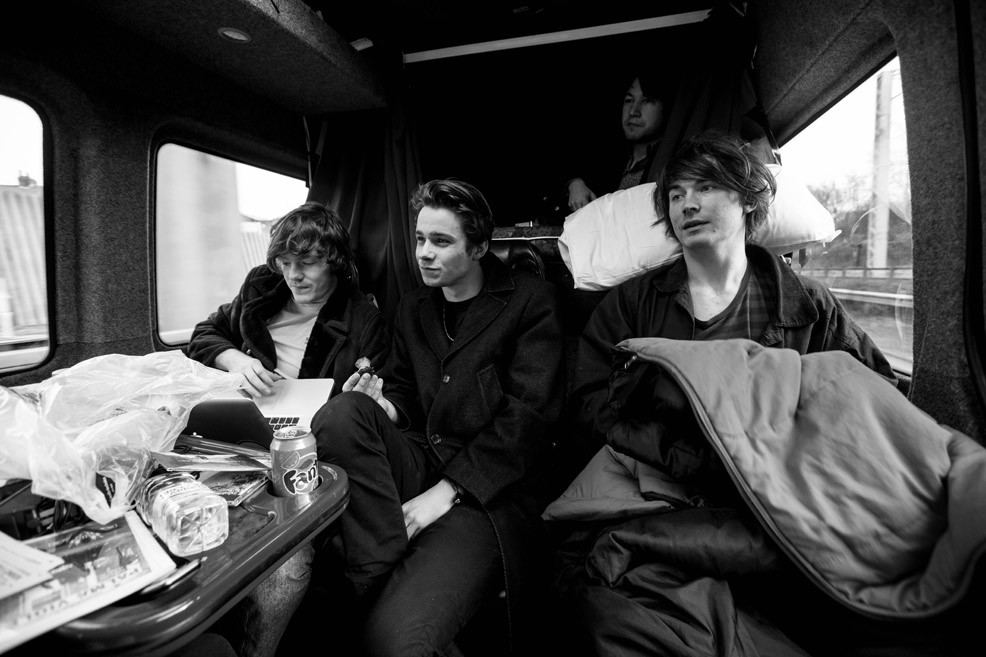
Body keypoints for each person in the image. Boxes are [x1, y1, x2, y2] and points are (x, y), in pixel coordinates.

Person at [552, 130, 899, 655]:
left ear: (748, 200)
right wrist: (684, 457)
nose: (687, 204)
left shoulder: (806, 303)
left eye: (706, 187)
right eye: (675, 195)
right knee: (604, 589)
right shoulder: (631, 305)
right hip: (665, 498)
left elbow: (869, 397)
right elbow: (590, 403)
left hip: (779, 500)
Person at [309, 179, 565, 656]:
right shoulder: (414, 306)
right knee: (341, 414)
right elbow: (404, 389)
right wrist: (386, 406)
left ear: (479, 247)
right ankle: (378, 575)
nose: (423, 253)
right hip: (423, 457)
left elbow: (527, 420)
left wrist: (445, 494)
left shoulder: (532, 302)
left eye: (441, 241)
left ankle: (369, 588)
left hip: (489, 495)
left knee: (393, 643)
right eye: (420, 239)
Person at [184, 201, 390, 657]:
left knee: (286, 567)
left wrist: (361, 400)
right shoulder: (261, 287)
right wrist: (233, 360)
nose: (293, 275)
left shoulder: (362, 321)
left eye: (308, 263)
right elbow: (203, 334)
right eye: (285, 261)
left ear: (334, 261)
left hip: (306, 451)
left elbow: (377, 409)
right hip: (238, 435)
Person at [565, 72, 671, 213]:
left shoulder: (668, 163)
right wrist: (575, 183)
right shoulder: (610, 155)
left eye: (646, 101)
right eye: (629, 100)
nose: (633, 111)